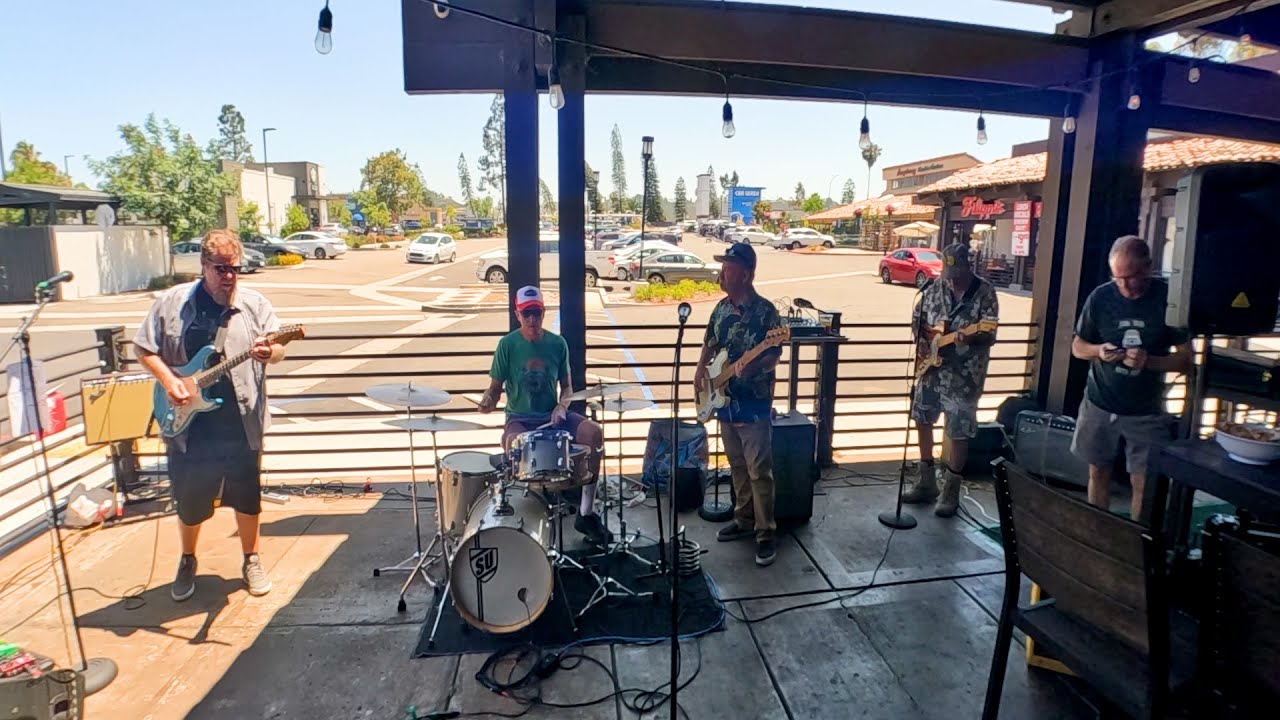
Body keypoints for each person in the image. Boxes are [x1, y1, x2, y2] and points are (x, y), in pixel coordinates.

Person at [134, 229, 287, 601]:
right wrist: (170, 381)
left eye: (234, 268)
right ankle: (188, 559)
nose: (229, 276)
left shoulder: (253, 304)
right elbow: (144, 349)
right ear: (203, 266)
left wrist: (271, 353)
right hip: (189, 425)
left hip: (240, 421)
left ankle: (251, 558)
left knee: (247, 496)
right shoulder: (172, 304)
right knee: (190, 499)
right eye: (220, 269)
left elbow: (279, 344)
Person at [478, 286, 612, 547]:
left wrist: (562, 406)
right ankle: (515, 519)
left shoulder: (557, 343)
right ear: (517, 314)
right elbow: (494, 389)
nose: (532, 319)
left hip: (553, 416)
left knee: (593, 433)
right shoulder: (507, 345)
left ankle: (586, 512)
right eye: (526, 313)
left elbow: (568, 388)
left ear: (543, 312)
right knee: (513, 442)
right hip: (520, 417)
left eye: (536, 313)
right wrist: (487, 401)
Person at [1071, 235, 1192, 520]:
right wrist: (1099, 351)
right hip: (1099, 401)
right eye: (1118, 278)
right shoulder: (1101, 296)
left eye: (1132, 277)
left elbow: (1186, 361)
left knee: (1143, 481)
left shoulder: (1167, 299)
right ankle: (1098, 535)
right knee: (1097, 471)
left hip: (1146, 410)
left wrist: (1150, 361)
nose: (1124, 286)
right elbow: (1078, 347)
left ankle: (1136, 547)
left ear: (1148, 267)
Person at [695, 243, 783, 567]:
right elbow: (709, 343)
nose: (723, 272)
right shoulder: (720, 309)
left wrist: (757, 366)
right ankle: (743, 520)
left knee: (760, 471)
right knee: (737, 467)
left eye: (729, 267)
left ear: (746, 274)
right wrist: (699, 374)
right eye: (723, 266)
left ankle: (765, 534)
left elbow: (773, 355)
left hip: (754, 402)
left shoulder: (766, 312)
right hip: (724, 402)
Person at [902, 243, 999, 517]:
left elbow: (990, 332)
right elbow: (918, 318)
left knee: (958, 429)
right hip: (931, 370)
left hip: (964, 375)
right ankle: (925, 481)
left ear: (968, 266)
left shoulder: (985, 293)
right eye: (949, 271)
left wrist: (969, 336)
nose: (952, 277)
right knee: (922, 417)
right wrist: (923, 341)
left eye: (957, 271)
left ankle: (951, 491)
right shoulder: (935, 288)